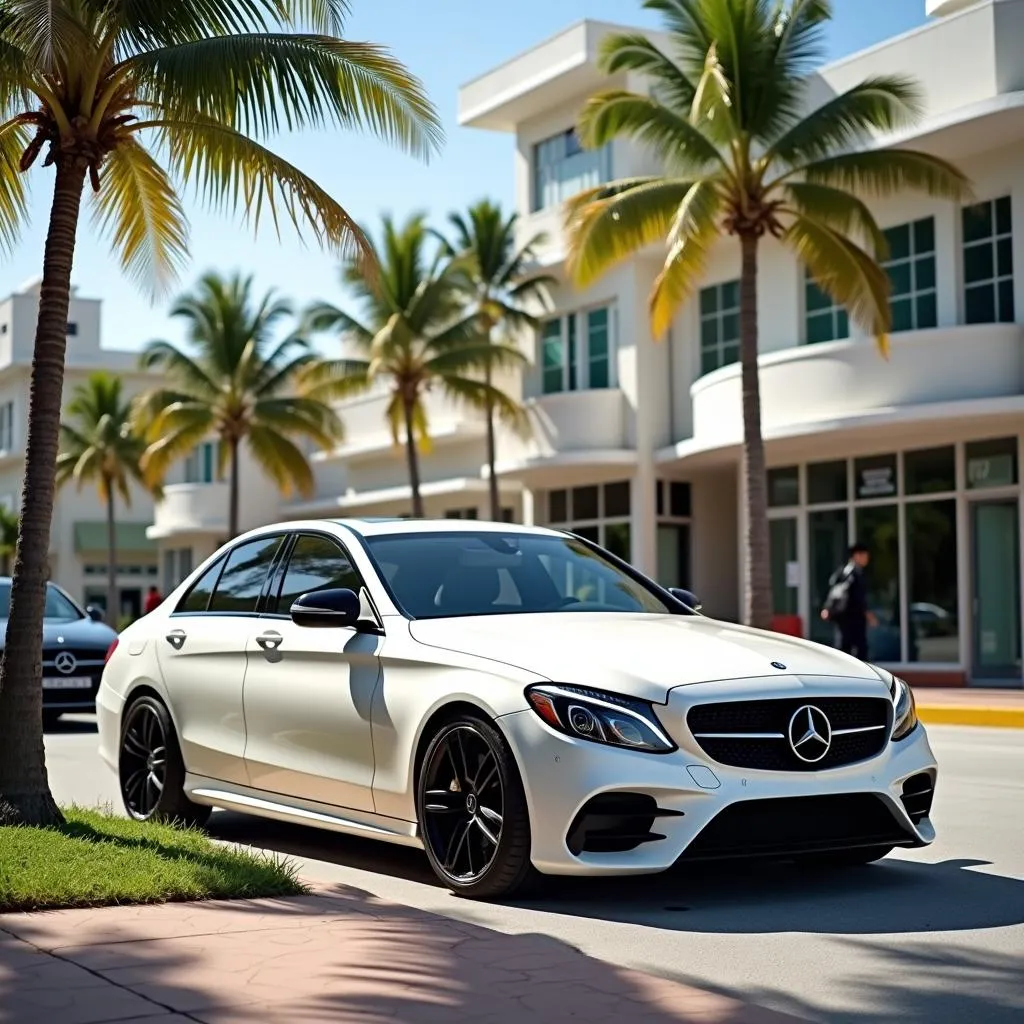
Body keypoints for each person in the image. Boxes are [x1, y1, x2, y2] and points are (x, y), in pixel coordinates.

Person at [820, 542, 877, 660]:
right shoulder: (855, 574)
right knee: (858, 650)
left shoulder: (843, 571)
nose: (867, 559)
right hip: (853, 618)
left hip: (844, 618)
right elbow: (858, 597)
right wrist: (868, 614)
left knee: (846, 649)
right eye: (864, 555)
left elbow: (832, 590)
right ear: (856, 556)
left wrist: (827, 607)